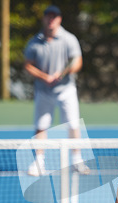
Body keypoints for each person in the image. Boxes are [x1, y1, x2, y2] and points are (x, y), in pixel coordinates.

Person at [24, 5, 88, 176]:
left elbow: (77, 62)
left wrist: (65, 72)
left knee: (73, 124)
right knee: (41, 126)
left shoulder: (69, 39)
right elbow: (28, 65)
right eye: (48, 16)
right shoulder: (34, 42)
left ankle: (77, 160)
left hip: (66, 89)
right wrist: (45, 77)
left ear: (59, 19)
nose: (51, 20)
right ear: (44, 19)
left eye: (54, 17)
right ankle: (39, 162)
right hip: (43, 91)